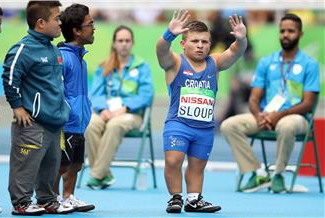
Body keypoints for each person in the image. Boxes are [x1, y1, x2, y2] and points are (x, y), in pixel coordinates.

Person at [156, 10, 247, 213]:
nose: (200, 45)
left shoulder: (214, 63)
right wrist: (168, 34)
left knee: (197, 166)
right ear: (183, 43)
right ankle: (175, 198)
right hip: (178, 124)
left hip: (204, 128)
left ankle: (194, 199)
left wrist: (241, 39)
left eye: (205, 42)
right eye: (195, 41)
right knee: (173, 160)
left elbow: (234, 52)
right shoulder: (175, 63)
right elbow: (161, 51)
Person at [220, 13, 320, 194]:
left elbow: (308, 104)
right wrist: (259, 115)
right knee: (229, 125)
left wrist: (278, 115)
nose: (286, 35)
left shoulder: (309, 65)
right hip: (266, 116)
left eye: (291, 31)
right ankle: (257, 172)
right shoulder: (267, 62)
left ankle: (279, 175)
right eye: (282, 31)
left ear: (300, 34)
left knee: (286, 125)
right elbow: (254, 98)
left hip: (297, 118)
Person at [2, 1, 73, 215]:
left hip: (54, 121)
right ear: (41, 23)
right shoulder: (23, 49)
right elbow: (9, 77)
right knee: (26, 165)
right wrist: (17, 107)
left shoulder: (53, 49)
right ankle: (21, 203)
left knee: (50, 166)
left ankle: (46, 199)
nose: (61, 22)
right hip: (32, 121)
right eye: (57, 18)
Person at [85, 25, 154, 189]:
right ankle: (104, 173)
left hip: (132, 115)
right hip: (107, 113)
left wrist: (124, 109)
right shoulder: (104, 66)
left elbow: (146, 95)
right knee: (91, 123)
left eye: (127, 40)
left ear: (132, 43)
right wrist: (103, 110)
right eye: (120, 40)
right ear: (114, 43)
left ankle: (96, 175)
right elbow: (95, 94)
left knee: (116, 124)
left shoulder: (142, 66)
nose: (124, 44)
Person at [52, 3, 95, 212]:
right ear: (77, 31)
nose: (93, 28)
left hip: (79, 123)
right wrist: (68, 112)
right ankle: (51, 198)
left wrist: (86, 108)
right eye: (90, 24)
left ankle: (67, 197)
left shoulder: (81, 58)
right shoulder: (63, 58)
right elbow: (57, 92)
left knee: (76, 164)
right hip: (66, 123)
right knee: (60, 165)